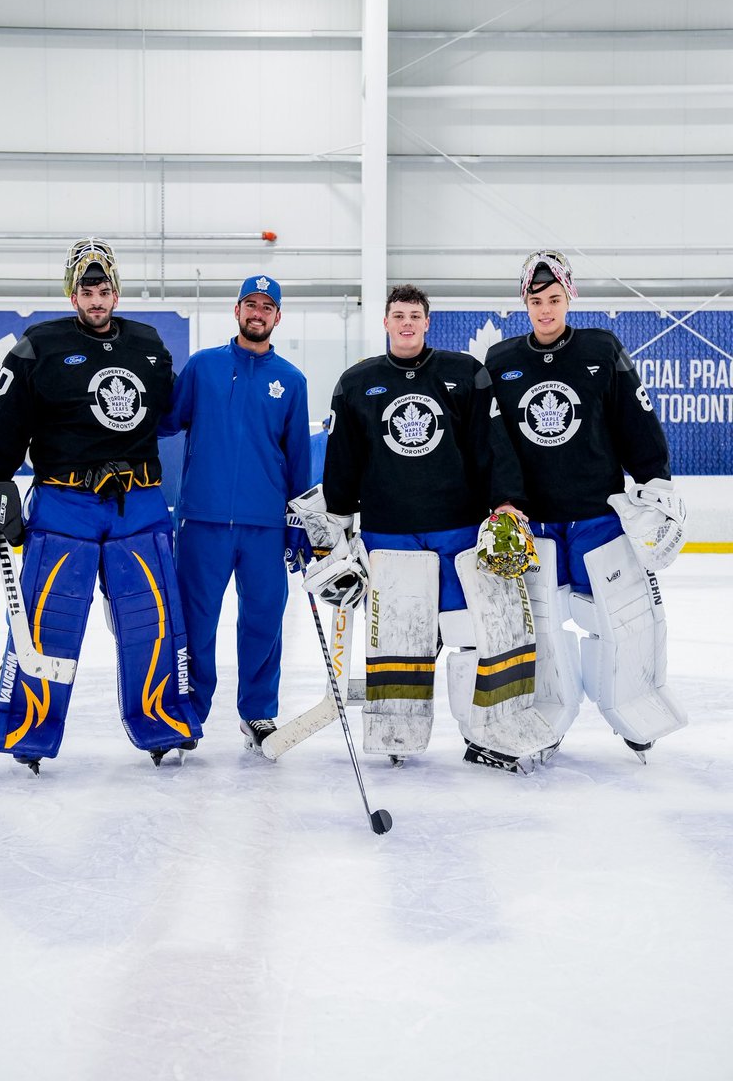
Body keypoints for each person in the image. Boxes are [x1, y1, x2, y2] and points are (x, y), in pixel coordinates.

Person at [0, 238, 201, 772]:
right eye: (87, 289)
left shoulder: (148, 344)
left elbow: (165, 415)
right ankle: (28, 731)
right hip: (64, 503)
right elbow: (1, 423)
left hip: (138, 504)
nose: (96, 298)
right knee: (48, 623)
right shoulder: (37, 346)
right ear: (73, 294)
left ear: (117, 291)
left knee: (154, 623)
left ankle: (164, 724)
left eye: (105, 288)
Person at [291, 283, 535, 770]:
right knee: (399, 640)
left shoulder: (464, 373)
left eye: (414, 316)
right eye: (397, 315)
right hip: (389, 532)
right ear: (385, 323)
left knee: (469, 636)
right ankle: (396, 731)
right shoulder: (357, 383)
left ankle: (482, 734)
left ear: (428, 322)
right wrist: (334, 526)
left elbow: (491, 444)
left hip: (457, 530)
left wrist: (505, 503)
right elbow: (343, 462)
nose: (406, 323)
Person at [484, 250, 687, 762]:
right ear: (523, 304)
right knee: (545, 631)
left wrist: (655, 483)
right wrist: (499, 501)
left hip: (599, 518)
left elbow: (636, 422)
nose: (545, 310)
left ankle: (631, 711)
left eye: (554, 299)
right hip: (537, 524)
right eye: (536, 301)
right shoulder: (501, 361)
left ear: (569, 297)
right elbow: (493, 442)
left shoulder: (600, 347)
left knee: (620, 624)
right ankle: (549, 718)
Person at [161, 275, 311, 754]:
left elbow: (298, 461)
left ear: (278, 316)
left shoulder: (291, 380)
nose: (258, 312)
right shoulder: (203, 367)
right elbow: (165, 421)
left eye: (268, 306)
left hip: (265, 526)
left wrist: (298, 522)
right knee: (196, 623)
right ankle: (187, 711)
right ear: (237, 310)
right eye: (251, 304)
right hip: (202, 521)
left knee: (264, 621)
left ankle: (258, 714)